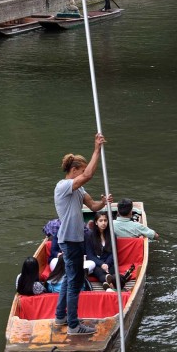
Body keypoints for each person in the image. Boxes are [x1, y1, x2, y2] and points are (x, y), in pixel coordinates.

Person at [54, 133, 112, 335]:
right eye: (80, 170)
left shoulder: (78, 190)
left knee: (71, 279)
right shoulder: (63, 186)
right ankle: (73, 325)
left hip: (76, 240)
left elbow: (93, 205)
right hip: (69, 241)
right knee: (75, 282)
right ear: (74, 170)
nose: (82, 174)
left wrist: (103, 203)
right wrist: (97, 149)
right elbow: (87, 175)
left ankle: (61, 316)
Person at [84, 211, 114, 287]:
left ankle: (106, 283)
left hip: (109, 263)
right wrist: (102, 264)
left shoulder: (112, 235)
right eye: (101, 220)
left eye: (105, 220)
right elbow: (89, 255)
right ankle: (107, 280)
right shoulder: (89, 236)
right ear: (96, 222)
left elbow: (113, 253)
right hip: (96, 263)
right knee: (97, 270)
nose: (103, 223)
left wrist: (107, 264)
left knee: (112, 271)